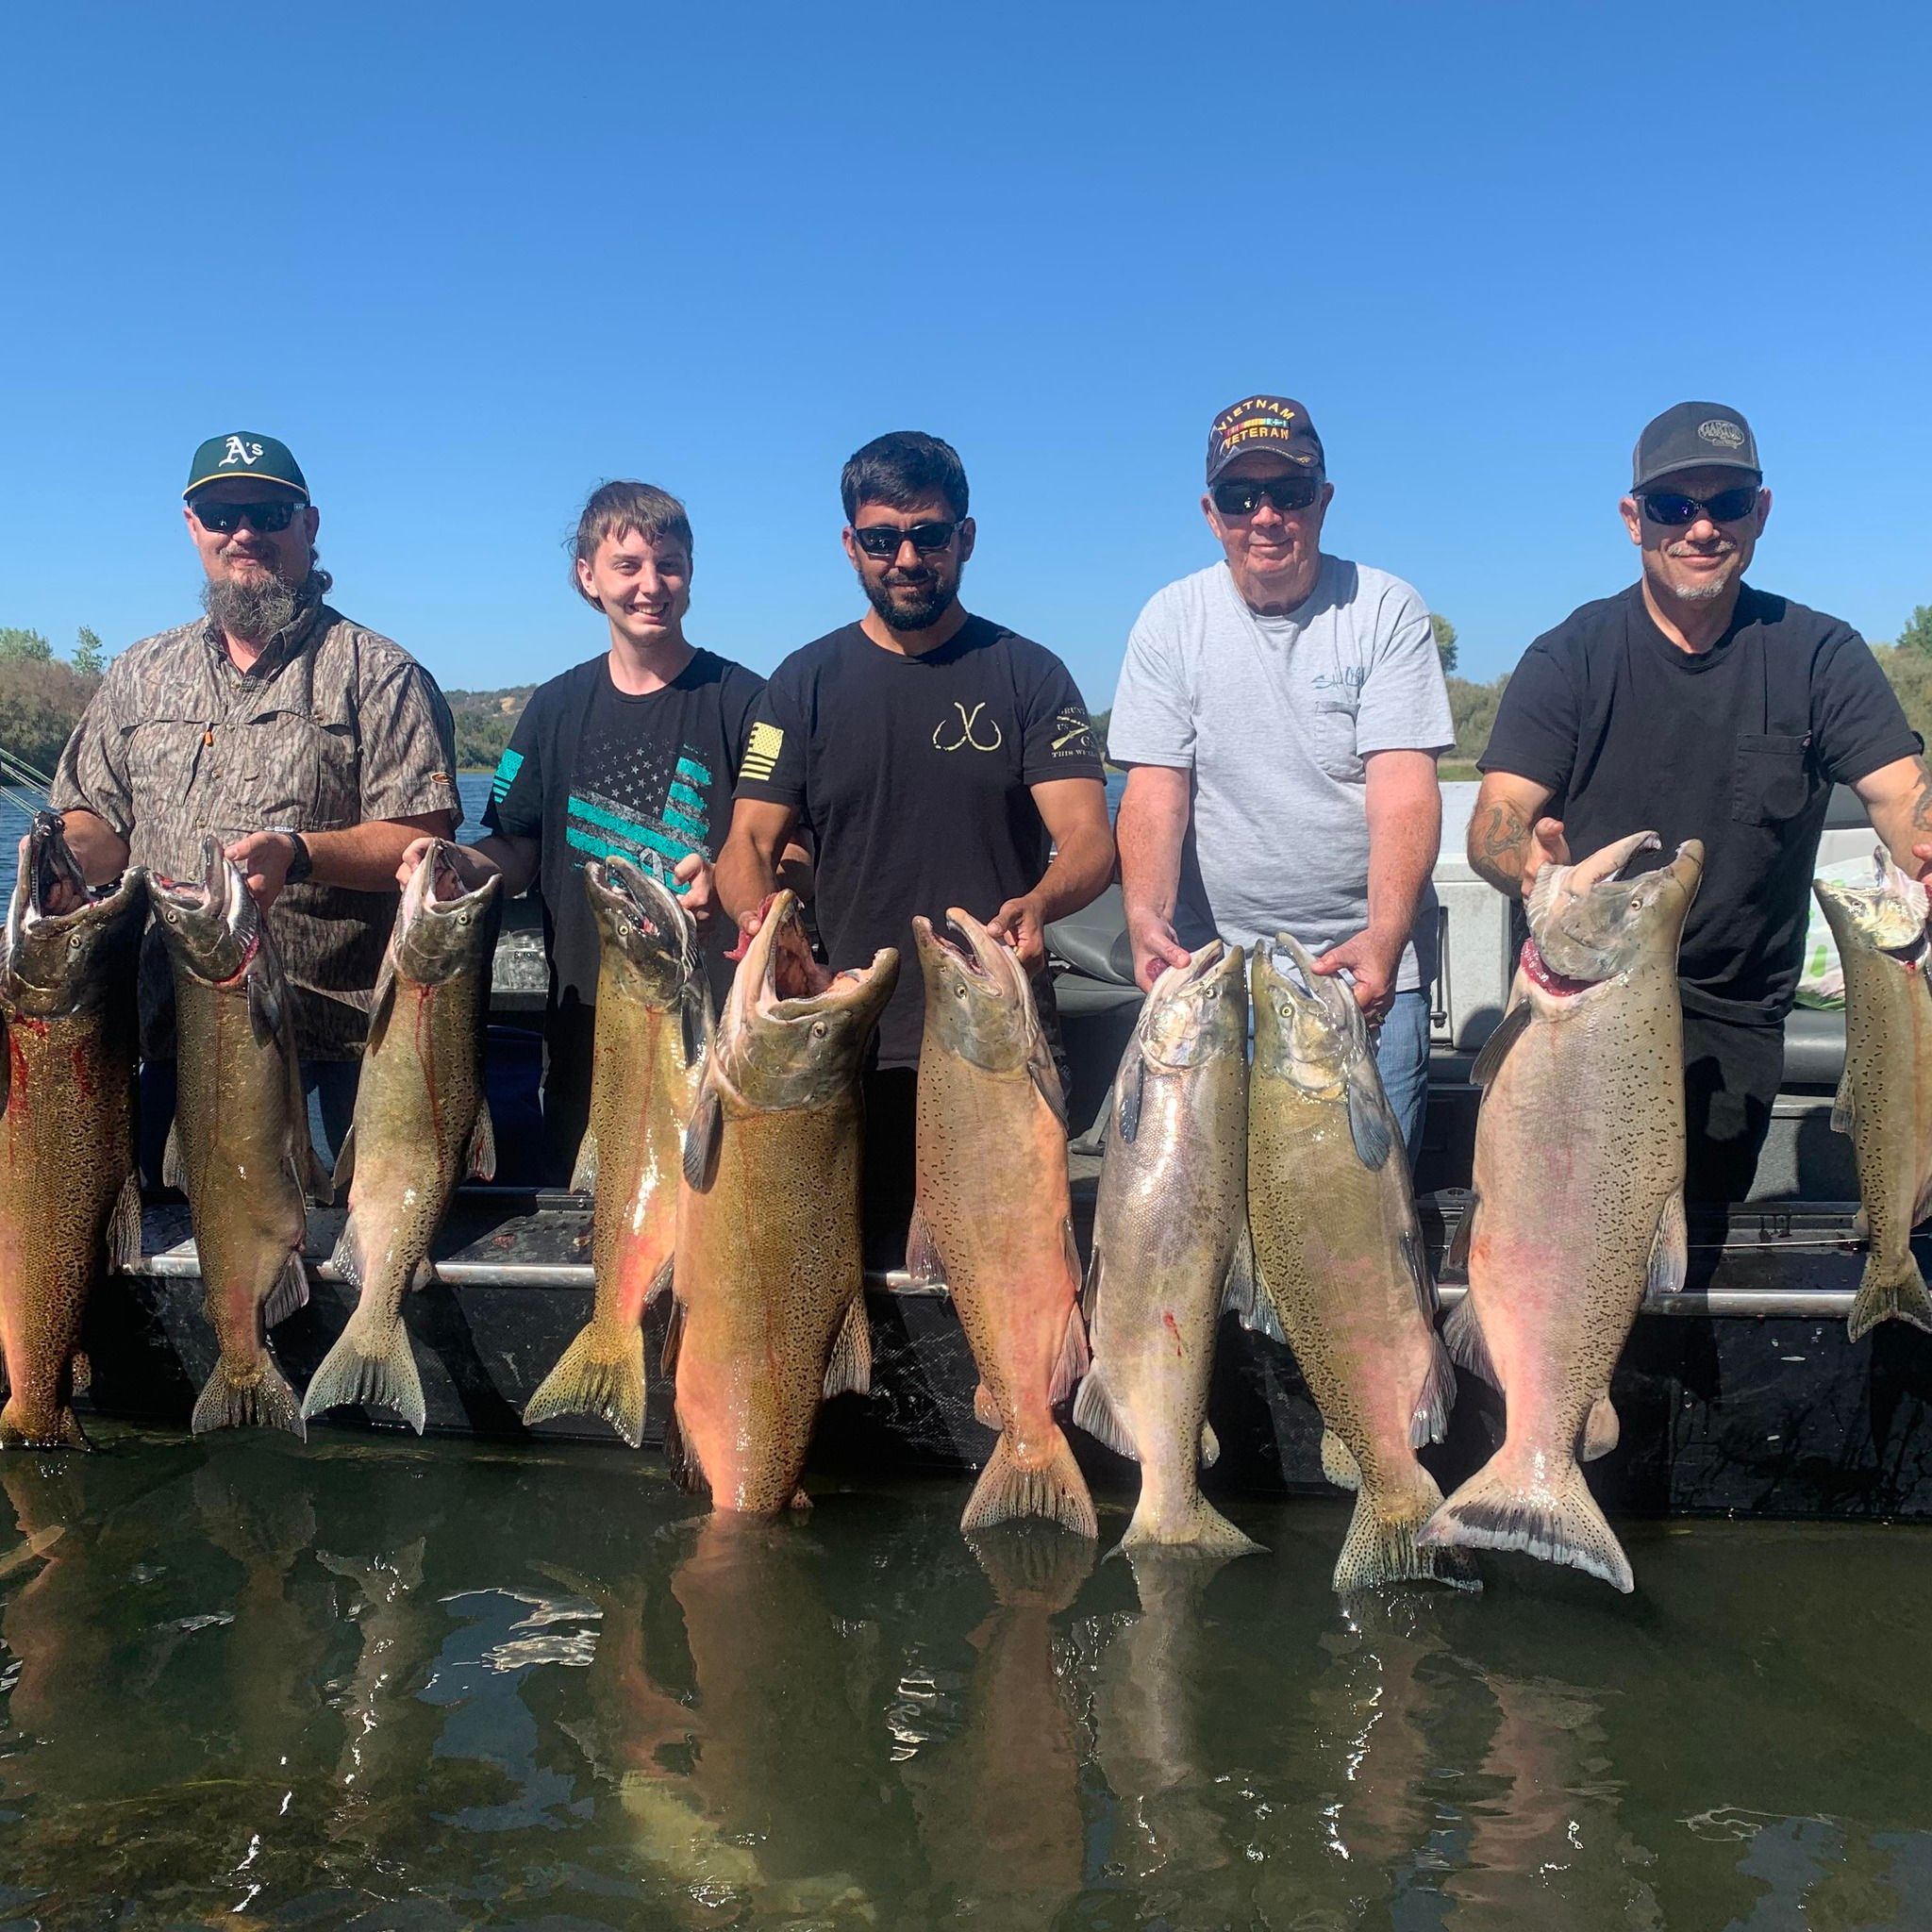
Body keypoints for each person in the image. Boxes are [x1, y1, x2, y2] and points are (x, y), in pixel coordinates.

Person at [1471, 401, 1928, 1204]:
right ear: (1633, 519)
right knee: (1580, 1235)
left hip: (1736, 1016)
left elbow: (1901, 794)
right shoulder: (1570, 656)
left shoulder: (1820, 654)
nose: (1701, 527)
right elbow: (1495, 821)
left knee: (1693, 1257)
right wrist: (1536, 874)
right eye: (1674, 506)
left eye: (1725, 504)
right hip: (1588, 1003)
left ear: (1761, 512)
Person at [714, 430, 1114, 1244]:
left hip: (998, 1042)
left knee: (1008, 1287)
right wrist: (770, 931)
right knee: (846, 1287)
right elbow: (747, 847)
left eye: (928, 535)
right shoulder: (803, 684)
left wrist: (1039, 900)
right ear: (850, 545)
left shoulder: (1027, 673)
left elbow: (1088, 839)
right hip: (846, 1040)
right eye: (881, 539)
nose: (905, 557)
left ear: (964, 537)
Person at [52, 431, 460, 1169]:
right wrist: (59, 857)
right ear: (191, 526)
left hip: (331, 1057)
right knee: (156, 1267)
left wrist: (300, 854)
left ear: (308, 525)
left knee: (331, 1272)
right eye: (220, 514)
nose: (244, 533)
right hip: (162, 1043)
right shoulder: (138, 672)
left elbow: (423, 840)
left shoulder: (381, 674)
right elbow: (99, 823)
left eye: (269, 513)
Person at [411, 481, 803, 1180]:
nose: (652, 585)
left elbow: (792, 845)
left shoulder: (747, 700)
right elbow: (516, 850)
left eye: (670, 564)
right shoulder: (553, 709)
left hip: (715, 1034)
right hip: (587, 1037)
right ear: (588, 577)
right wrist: (451, 866)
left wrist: (734, 886)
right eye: (628, 566)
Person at [1110, 395, 1453, 1165]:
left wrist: (1387, 936)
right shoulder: (1170, 620)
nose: (1266, 515)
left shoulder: (1386, 608)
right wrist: (1146, 916)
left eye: (1289, 493)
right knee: (1213, 1226)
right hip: (1214, 983)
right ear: (1212, 512)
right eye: (1240, 497)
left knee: (1357, 1231)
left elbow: (1402, 788)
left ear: (1323, 501)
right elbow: (1156, 792)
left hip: (1355, 980)